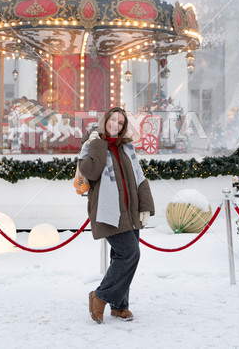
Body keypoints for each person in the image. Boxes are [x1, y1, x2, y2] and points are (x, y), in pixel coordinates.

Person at [78, 107, 155, 324]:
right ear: (105, 120)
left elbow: (139, 177)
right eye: (113, 120)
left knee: (119, 256)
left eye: (121, 122)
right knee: (130, 254)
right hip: (108, 210)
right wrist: (97, 144)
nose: (116, 125)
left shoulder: (127, 147)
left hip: (130, 211)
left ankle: (120, 306)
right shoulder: (91, 144)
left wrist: (145, 206)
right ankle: (100, 296)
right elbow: (90, 172)